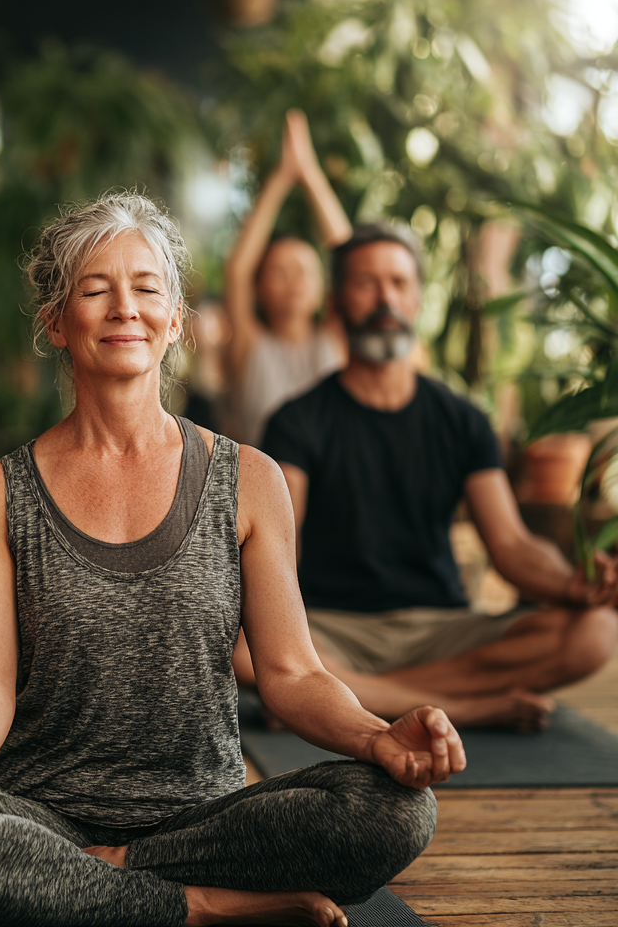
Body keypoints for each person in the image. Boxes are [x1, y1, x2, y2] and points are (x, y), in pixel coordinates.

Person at [0, 193, 463, 927]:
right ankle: (203, 907)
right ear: (55, 322)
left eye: (147, 289)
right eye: (95, 290)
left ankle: (105, 885)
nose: (125, 308)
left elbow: (291, 674)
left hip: (207, 821)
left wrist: (379, 737)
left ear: (175, 319)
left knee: (397, 808)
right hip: (41, 817)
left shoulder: (249, 480)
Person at [239, 223, 618, 732]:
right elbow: (282, 553)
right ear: (337, 303)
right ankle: (458, 707)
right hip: (334, 629)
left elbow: (511, 546)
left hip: (443, 630)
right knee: (244, 649)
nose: (385, 298)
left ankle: (345, 698)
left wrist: (573, 582)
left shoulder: (464, 420)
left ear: (418, 298)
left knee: (596, 632)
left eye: (398, 283)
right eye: (366, 283)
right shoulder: (296, 421)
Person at [225, 110, 352, 446]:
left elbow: (349, 259)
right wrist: (281, 178)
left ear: (322, 288)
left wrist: (310, 174)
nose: (293, 280)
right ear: (260, 288)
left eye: (304, 271)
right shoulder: (250, 347)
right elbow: (237, 271)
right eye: (279, 272)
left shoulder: (336, 340)